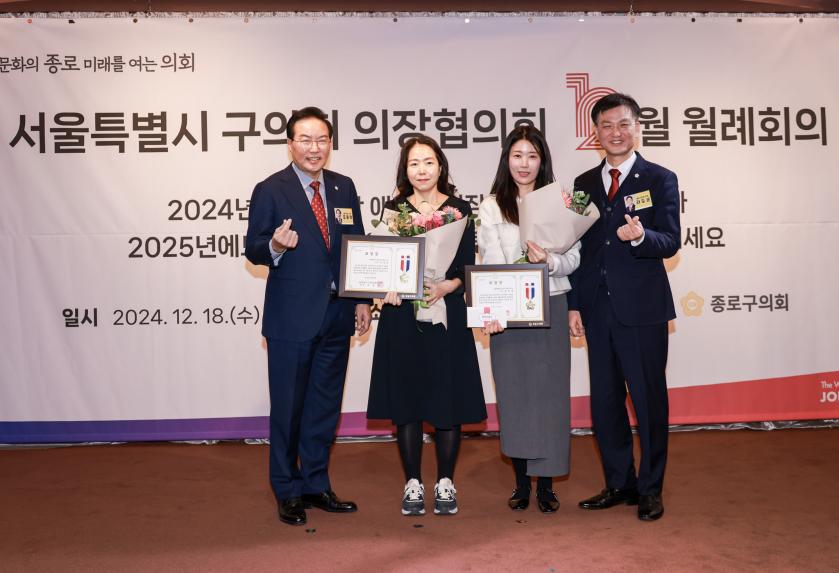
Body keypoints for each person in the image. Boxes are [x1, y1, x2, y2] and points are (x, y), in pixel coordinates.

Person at [245, 106, 372, 526]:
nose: (314, 148)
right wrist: (275, 246)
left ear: (330, 143)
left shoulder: (343, 186)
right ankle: (287, 489)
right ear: (290, 144)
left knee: (323, 407)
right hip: (291, 320)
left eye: (321, 140)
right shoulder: (271, 189)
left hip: (337, 315)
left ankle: (316, 483)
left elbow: (356, 245)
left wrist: (361, 300)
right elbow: (254, 248)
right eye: (305, 140)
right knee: (288, 409)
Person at [568, 93, 681, 522]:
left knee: (649, 401)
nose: (615, 132)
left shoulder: (660, 178)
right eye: (606, 125)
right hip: (597, 309)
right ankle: (620, 483)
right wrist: (574, 306)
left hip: (643, 310)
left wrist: (641, 237)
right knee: (605, 402)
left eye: (623, 124)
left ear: (637, 128)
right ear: (595, 133)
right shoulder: (584, 183)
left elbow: (670, 240)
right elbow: (578, 249)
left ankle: (651, 489)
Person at [367, 134, 487, 517]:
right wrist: (388, 286)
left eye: (429, 162)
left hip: (445, 315)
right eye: (414, 163)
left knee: (447, 400)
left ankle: (446, 481)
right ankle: (413, 482)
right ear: (405, 170)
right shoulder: (394, 211)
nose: (422, 170)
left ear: (440, 166)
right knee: (407, 403)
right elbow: (382, 261)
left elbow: (467, 264)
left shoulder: (459, 209)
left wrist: (446, 286)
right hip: (402, 318)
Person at [477, 126, 581, 513]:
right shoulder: (492, 206)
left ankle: (547, 485)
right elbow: (490, 260)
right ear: (507, 159)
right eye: (517, 155)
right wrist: (491, 309)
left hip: (551, 304)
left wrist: (548, 260)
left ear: (543, 160)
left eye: (532, 156)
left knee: (550, 397)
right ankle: (522, 482)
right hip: (509, 310)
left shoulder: (560, 201)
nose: (524, 163)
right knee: (515, 395)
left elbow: (574, 259)